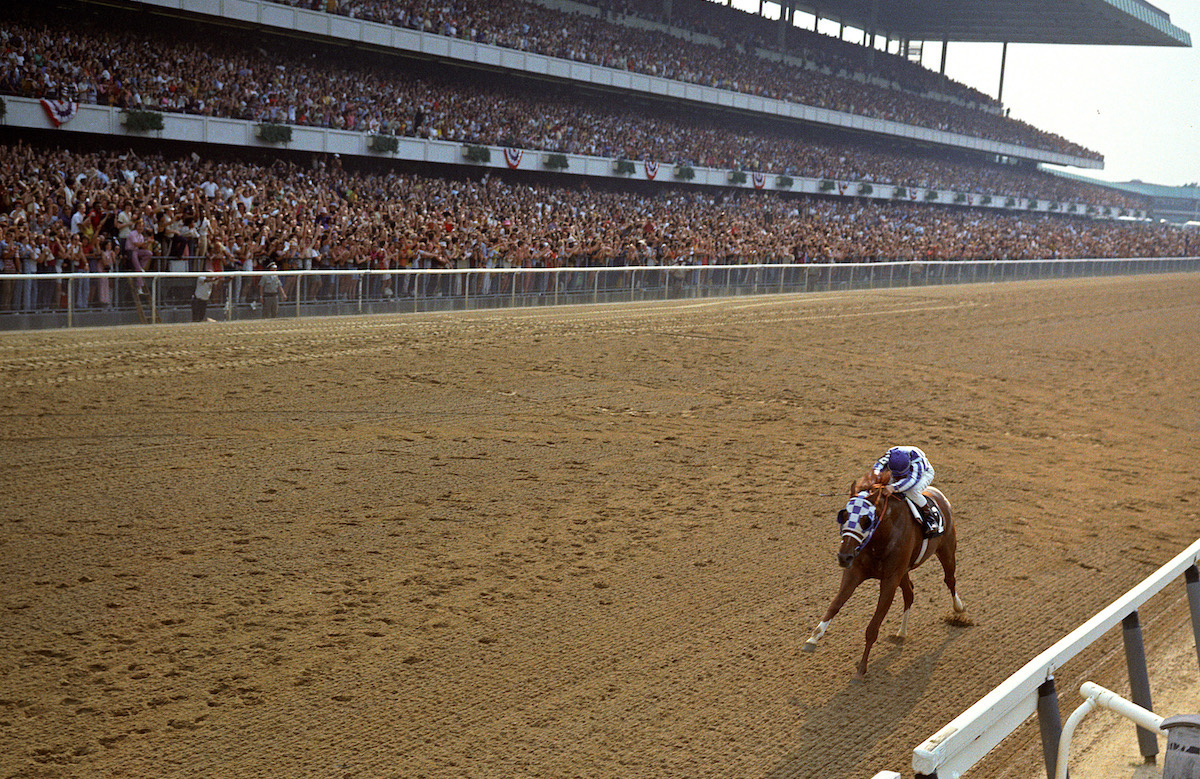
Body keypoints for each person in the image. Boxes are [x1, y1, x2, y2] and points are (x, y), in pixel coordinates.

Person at [873, 446, 943, 538]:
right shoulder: (888, 457)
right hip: (898, 471)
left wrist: (893, 488)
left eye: (900, 476)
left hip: (923, 473)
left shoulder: (917, 463)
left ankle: (930, 517)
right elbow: (876, 470)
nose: (898, 479)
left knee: (912, 492)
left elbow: (911, 480)